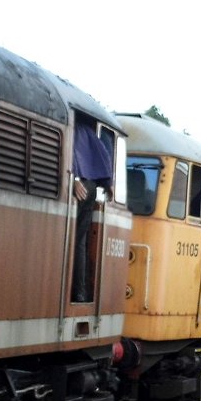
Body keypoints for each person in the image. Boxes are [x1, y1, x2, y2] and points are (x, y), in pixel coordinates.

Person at [71, 117, 113, 303]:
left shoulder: (72, 126)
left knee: (74, 240)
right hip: (91, 186)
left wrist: (73, 179)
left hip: (80, 186)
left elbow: (67, 156)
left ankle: (76, 291)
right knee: (79, 242)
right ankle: (79, 292)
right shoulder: (89, 131)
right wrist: (108, 183)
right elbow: (103, 155)